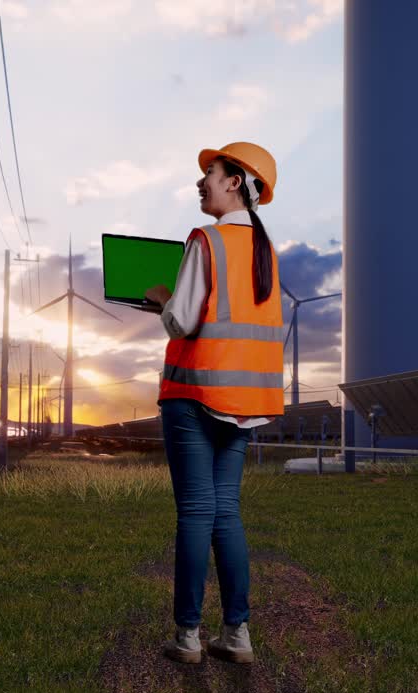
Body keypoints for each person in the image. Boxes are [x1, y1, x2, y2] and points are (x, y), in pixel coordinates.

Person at [143, 142, 285, 664]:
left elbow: (182, 321)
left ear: (235, 182)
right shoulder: (267, 252)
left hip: (195, 394)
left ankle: (187, 637)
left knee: (196, 513)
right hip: (246, 401)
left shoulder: (206, 240)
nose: (201, 182)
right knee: (227, 513)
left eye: (210, 173)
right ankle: (237, 634)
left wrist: (161, 298)